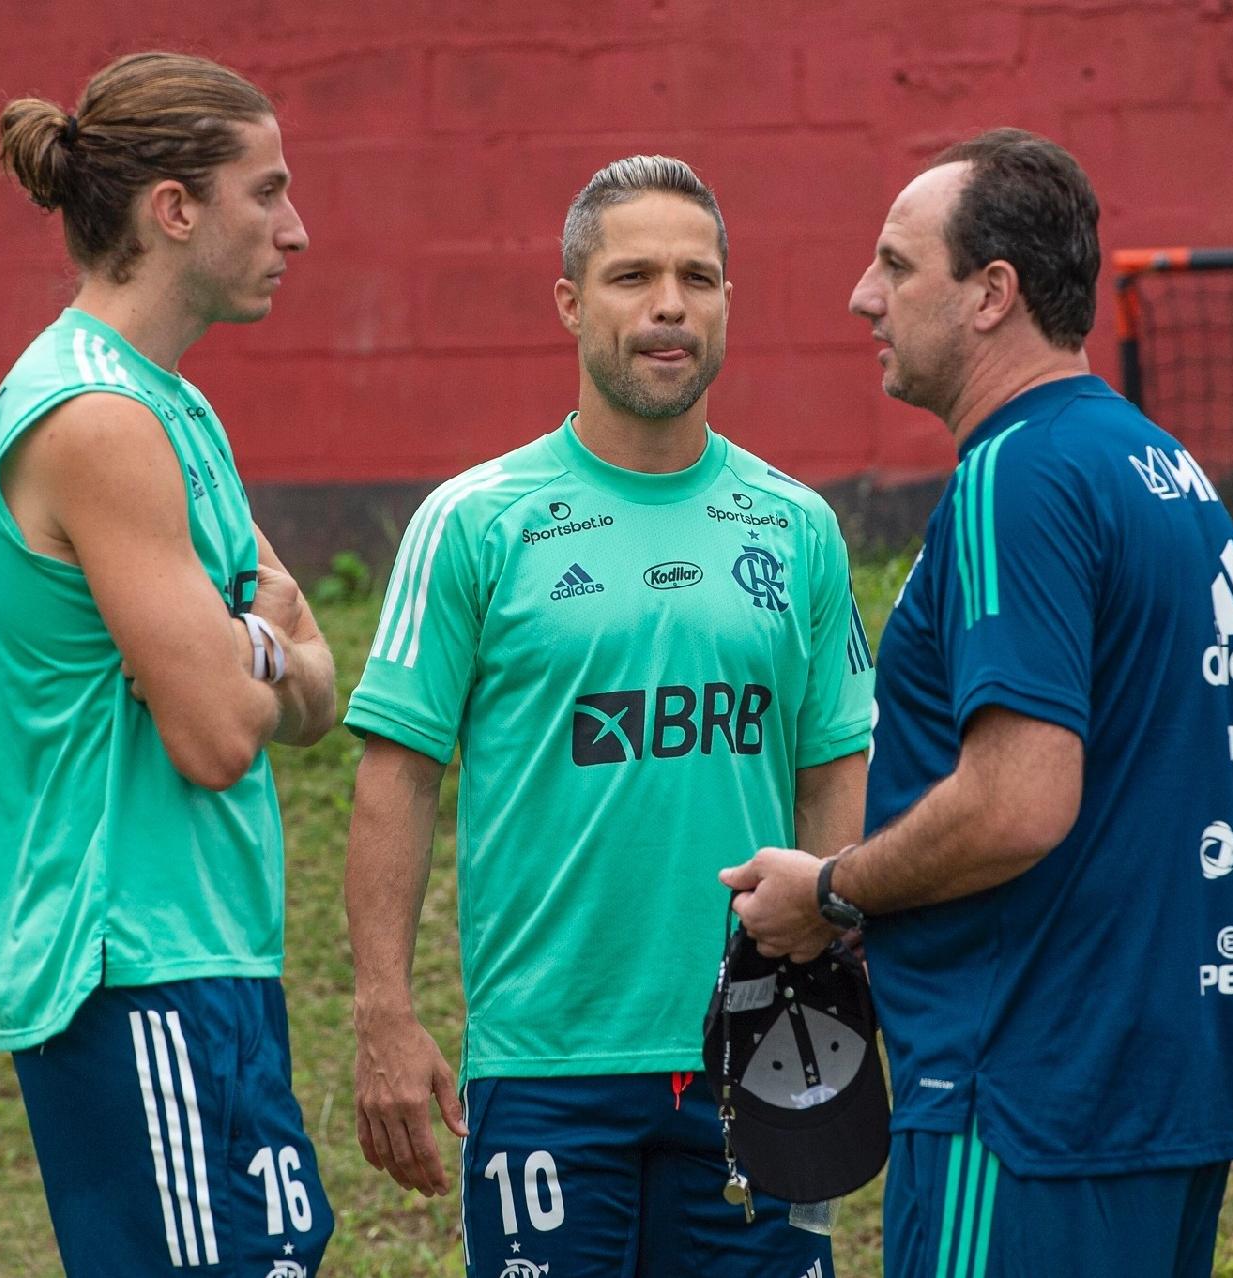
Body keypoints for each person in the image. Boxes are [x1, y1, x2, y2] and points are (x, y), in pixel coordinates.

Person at [722, 128, 1233, 1277]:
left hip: (1023, 1090)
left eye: (896, 265)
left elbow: (1021, 802)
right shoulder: (1164, 470)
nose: (862, 296)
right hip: (1165, 1085)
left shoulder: (1011, 475)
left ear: (992, 295)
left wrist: (832, 892)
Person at [342, 155, 874, 1278]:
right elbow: (397, 774)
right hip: (547, 1064)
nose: (670, 304)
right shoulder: (475, 523)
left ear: (730, 301)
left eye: (699, 276)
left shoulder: (797, 526)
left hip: (758, 1053)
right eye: (633, 275)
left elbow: (835, 764)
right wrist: (384, 1011)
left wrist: (830, 941)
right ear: (572, 304)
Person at [0, 51, 336, 1276]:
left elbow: (318, 692)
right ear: (174, 209)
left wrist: (254, 646)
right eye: (266, 193)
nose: (297, 228)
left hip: (209, 955)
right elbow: (222, 736)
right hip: (133, 962)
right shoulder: (96, 418)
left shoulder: (169, 403)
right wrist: (261, 648)